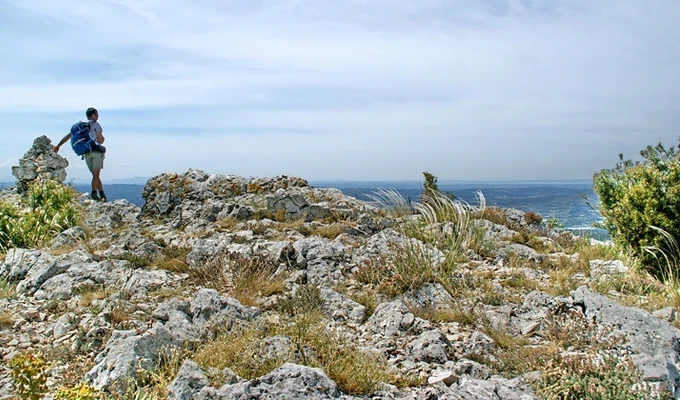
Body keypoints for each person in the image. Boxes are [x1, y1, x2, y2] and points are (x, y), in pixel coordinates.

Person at [54, 107, 107, 202]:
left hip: (85, 153)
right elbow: (101, 140)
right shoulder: (95, 125)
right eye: (96, 115)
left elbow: (68, 136)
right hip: (95, 152)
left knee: (95, 175)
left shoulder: (79, 126)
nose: (98, 117)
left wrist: (58, 146)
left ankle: (102, 194)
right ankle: (95, 194)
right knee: (96, 175)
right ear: (92, 115)